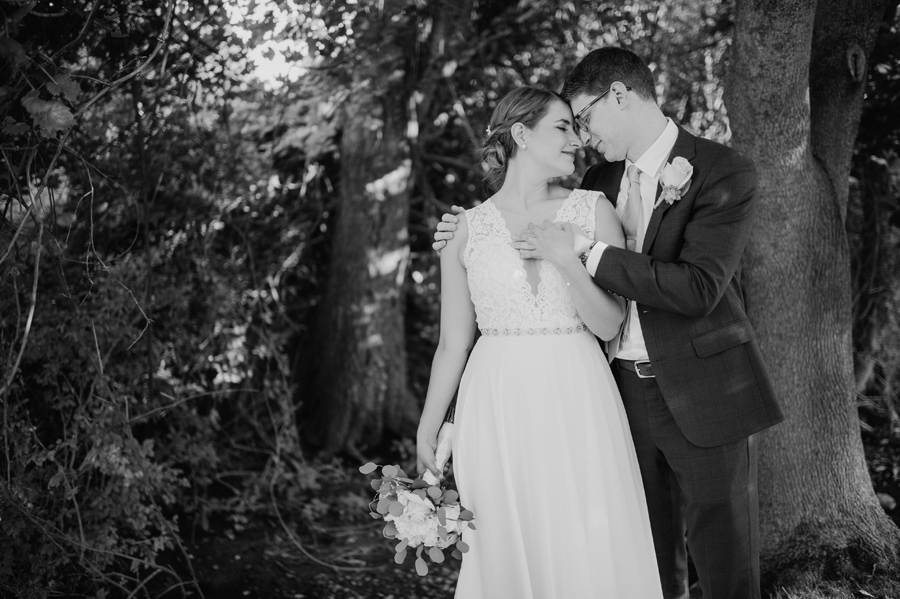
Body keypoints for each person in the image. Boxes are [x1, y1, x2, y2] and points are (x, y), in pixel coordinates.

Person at [433, 48, 784, 599]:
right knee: (639, 552)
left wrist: (583, 254)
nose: (582, 137)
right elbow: (523, 215)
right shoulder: (597, 179)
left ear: (618, 95)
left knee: (724, 557)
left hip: (703, 387)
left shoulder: (723, 171)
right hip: (615, 393)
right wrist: (461, 229)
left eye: (585, 119)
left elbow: (697, 288)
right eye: (568, 127)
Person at [417, 85, 663, 598]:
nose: (577, 140)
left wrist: (565, 259)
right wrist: (428, 426)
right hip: (495, 405)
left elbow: (609, 324)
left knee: (583, 535)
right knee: (504, 538)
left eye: (577, 128)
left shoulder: (593, 210)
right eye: (563, 128)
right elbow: (453, 343)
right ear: (521, 134)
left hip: (577, 396)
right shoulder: (464, 229)